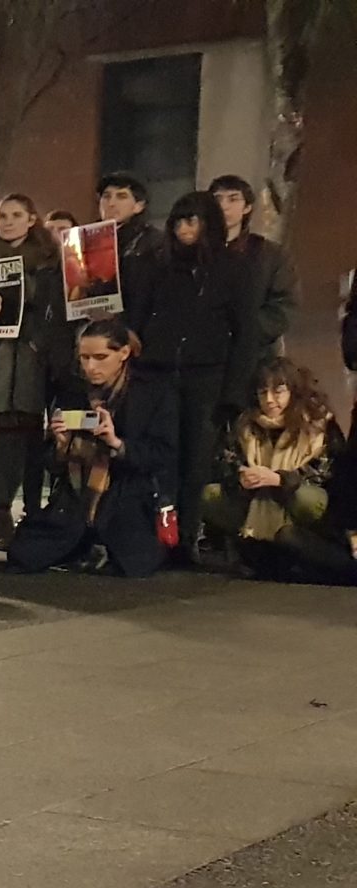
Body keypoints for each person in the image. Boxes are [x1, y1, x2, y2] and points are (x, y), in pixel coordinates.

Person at [128, 190, 256, 563]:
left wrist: (233, 393)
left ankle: (185, 540)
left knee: (197, 461)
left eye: (192, 220)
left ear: (208, 224)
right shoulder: (156, 264)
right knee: (161, 457)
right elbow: (136, 319)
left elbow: (245, 333)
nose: (184, 228)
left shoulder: (234, 267)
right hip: (158, 373)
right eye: (178, 221)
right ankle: (157, 536)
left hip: (207, 378)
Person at [7, 319, 177, 576]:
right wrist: (61, 445)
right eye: (84, 358)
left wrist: (116, 444)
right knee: (22, 554)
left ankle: (96, 543)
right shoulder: (72, 392)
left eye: (100, 357)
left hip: (127, 494)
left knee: (137, 557)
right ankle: (87, 542)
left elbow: (162, 455)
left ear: (124, 353)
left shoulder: (152, 393)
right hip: (77, 495)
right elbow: (50, 465)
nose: (91, 367)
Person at [0, 194, 65, 550]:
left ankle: (32, 511)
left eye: (16, 215)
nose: (7, 221)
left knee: (29, 438)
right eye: (2, 215)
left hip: (29, 360)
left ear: (32, 219)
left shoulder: (50, 260)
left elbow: (55, 307)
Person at [202, 357, 351, 582]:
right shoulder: (245, 424)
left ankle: (297, 548)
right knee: (211, 495)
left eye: (278, 391)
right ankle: (258, 548)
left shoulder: (316, 423)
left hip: (305, 505)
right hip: (256, 499)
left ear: (293, 391)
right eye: (263, 392)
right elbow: (225, 462)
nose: (270, 400)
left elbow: (327, 471)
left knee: (305, 498)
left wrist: (280, 479)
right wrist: (241, 477)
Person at [207, 174, 294, 362]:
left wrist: (247, 330)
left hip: (255, 355)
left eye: (233, 198)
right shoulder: (197, 253)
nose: (224, 206)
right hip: (204, 357)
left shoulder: (268, 254)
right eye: (217, 199)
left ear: (247, 207)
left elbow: (284, 304)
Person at [96, 172, 167, 267]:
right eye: (106, 196)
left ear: (139, 206)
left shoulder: (154, 243)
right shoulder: (86, 241)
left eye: (121, 197)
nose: (111, 203)